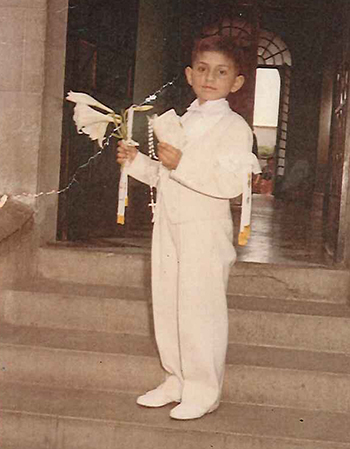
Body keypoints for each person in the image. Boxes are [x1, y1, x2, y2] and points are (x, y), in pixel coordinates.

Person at [117, 35, 259, 420]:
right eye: (202, 69)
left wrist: (182, 163)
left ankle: (203, 388)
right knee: (168, 303)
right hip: (170, 223)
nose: (210, 77)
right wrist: (135, 163)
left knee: (200, 308)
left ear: (237, 82)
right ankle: (176, 377)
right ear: (189, 75)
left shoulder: (234, 127)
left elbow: (231, 185)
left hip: (204, 228)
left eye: (222, 71)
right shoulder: (181, 120)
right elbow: (168, 176)